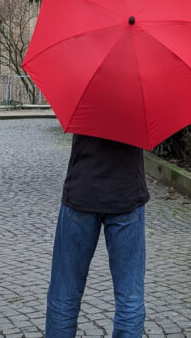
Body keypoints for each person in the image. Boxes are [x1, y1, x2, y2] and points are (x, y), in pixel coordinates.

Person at [45, 133, 150, 337]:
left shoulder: (84, 100)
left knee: (64, 294)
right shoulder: (139, 101)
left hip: (83, 188)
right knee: (130, 298)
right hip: (126, 192)